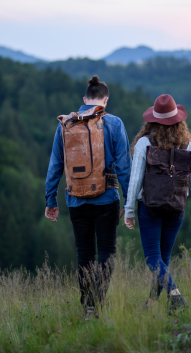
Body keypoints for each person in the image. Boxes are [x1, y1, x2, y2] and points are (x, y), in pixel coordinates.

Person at [45, 75, 131, 319]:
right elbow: (125, 165)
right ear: (105, 101)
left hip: (76, 200)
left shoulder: (65, 125)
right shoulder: (113, 123)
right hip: (106, 199)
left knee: (84, 255)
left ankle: (87, 307)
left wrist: (50, 201)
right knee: (106, 253)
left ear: (84, 100)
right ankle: (97, 302)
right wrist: (130, 202)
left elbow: (55, 166)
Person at [123, 94, 191, 313]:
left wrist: (128, 210)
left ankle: (176, 295)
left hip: (150, 208)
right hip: (176, 209)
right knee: (163, 258)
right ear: (178, 120)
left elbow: (135, 180)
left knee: (153, 258)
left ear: (152, 120)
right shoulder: (188, 146)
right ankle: (153, 303)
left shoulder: (145, 143)